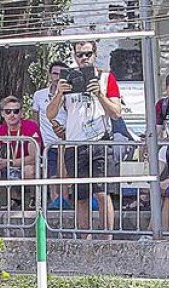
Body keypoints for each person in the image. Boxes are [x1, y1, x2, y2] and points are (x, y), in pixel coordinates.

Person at [46, 40, 122, 234]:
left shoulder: (106, 78)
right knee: (80, 196)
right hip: (75, 144)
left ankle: (107, 239)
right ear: (74, 56)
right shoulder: (67, 79)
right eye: (80, 54)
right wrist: (59, 93)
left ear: (95, 55)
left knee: (102, 192)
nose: (84, 58)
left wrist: (100, 95)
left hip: (100, 141)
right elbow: (50, 114)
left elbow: (116, 112)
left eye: (88, 54)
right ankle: (84, 239)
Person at [0, 96, 42, 209]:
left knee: (29, 169)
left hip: (25, 164)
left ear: (21, 113)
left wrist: (9, 162)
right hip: (9, 164)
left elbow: (34, 157)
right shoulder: (0, 130)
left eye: (16, 111)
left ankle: (34, 199)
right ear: (3, 114)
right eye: (8, 111)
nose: (12, 115)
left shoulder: (31, 126)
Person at [32, 61, 70, 209]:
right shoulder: (39, 95)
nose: (58, 77)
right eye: (55, 73)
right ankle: (55, 203)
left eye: (62, 74)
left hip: (67, 140)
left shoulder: (71, 95)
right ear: (49, 74)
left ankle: (65, 203)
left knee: (65, 174)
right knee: (52, 174)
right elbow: (35, 119)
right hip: (48, 142)